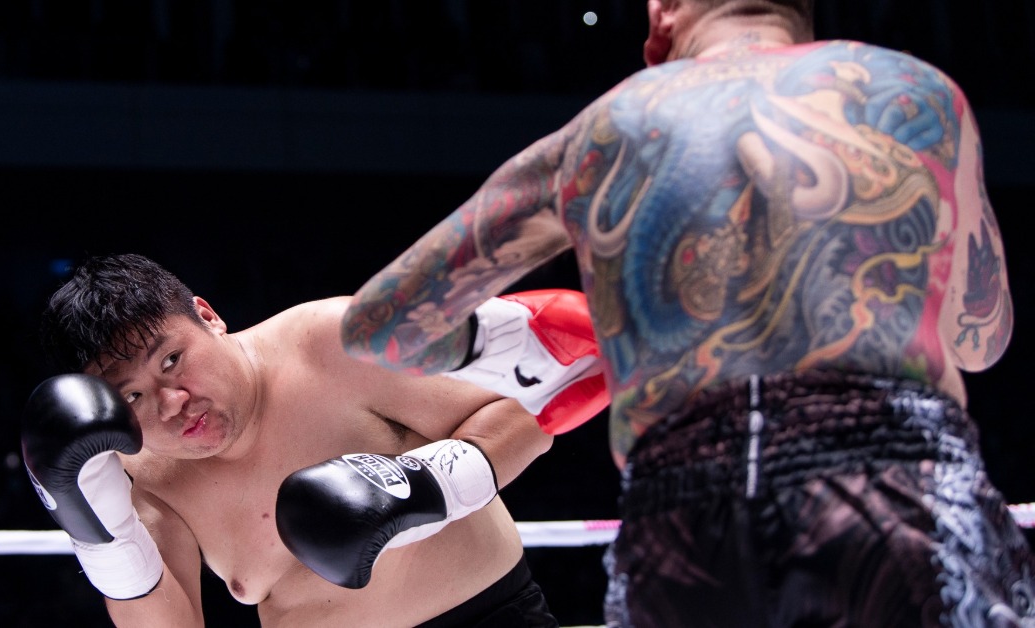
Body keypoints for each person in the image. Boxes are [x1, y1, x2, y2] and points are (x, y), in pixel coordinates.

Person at [339, 1, 1035, 625]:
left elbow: (383, 328)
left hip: (685, 513)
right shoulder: (915, 93)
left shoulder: (600, 132)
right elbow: (983, 339)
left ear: (662, 16)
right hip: (896, 479)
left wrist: (507, 339)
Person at [19, 252, 607, 627]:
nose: (172, 403)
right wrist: (105, 544)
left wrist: (435, 485)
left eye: (172, 360)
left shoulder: (334, 343)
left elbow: (528, 409)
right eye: (133, 396)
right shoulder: (143, 472)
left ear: (208, 315)